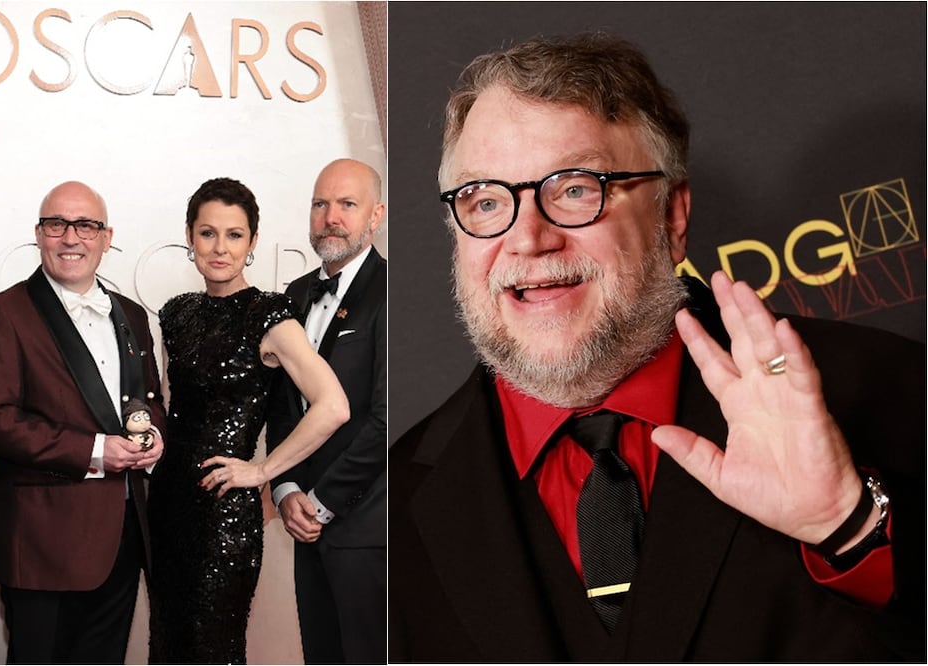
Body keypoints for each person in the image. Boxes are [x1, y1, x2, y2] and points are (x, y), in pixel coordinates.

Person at [389, 33, 925, 661]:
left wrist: (849, 526)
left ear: (671, 217)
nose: (528, 239)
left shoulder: (889, 389)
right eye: (484, 200)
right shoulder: (397, 501)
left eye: (574, 189)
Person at [0, 181, 167, 664]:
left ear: (106, 236)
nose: (71, 237)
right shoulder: (3, 313)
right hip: (42, 546)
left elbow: (148, 400)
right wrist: (95, 450)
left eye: (86, 225)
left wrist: (153, 433)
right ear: (39, 234)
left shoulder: (132, 315)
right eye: (57, 224)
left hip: (122, 538)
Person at [147, 177, 349, 664]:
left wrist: (260, 471)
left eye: (234, 235)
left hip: (224, 513)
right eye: (208, 233)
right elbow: (174, 408)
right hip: (168, 502)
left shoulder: (270, 315)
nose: (220, 248)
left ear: (253, 242)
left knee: (214, 647)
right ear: (190, 237)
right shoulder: (177, 313)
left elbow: (333, 405)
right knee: (169, 644)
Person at [266, 158, 387, 664]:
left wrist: (322, 501)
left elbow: (387, 417)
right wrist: (286, 488)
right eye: (320, 204)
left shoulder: (393, 292)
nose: (330, 216)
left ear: (375, 216)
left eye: (346, 204)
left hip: (366, 530)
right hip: (303, 521)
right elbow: (281, 408)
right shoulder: (293, 295)